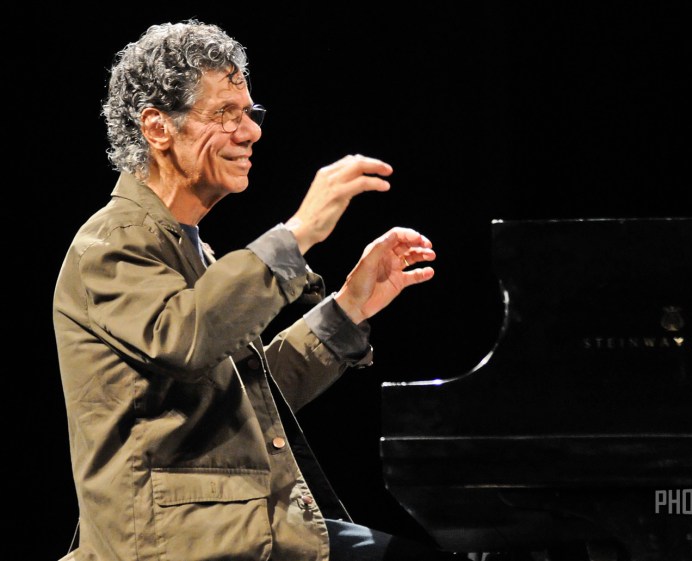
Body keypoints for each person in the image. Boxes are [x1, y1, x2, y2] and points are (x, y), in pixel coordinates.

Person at [53, 19, 454, 561]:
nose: (251, 132)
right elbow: (186, 338)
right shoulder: (110, 244)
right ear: (157, 127)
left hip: (233, 532)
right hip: (175, 547)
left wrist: (348, 308)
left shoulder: (190, 249)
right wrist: (298, 233)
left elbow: (244, 392)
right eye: (225, 113)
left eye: (249, 113)